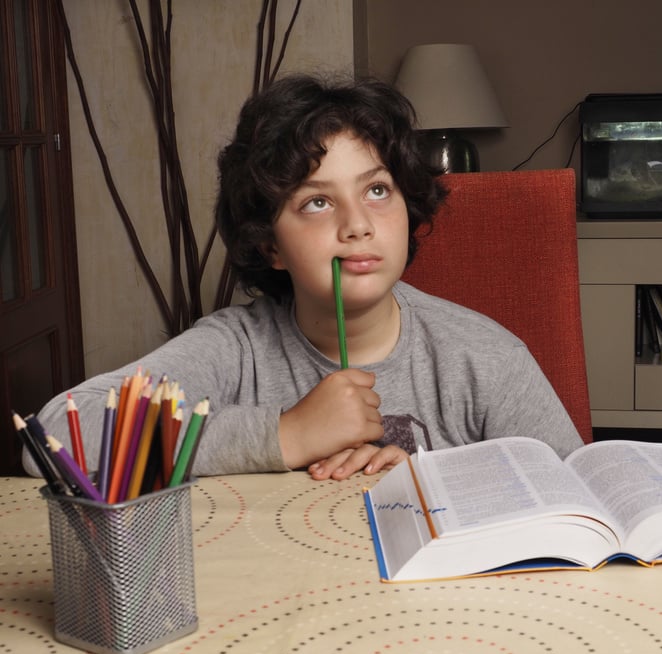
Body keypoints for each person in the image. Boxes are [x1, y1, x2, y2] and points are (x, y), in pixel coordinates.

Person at [26, 74, 583, 482]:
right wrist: (288, 434)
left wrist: (435, 480)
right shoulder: (236, 349)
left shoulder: (482, 356)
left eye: (377, 190)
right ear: (269, 244)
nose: (357, 225)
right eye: (317, 202)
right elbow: (51, 441)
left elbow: (573, 495)